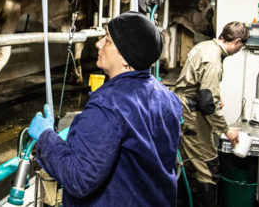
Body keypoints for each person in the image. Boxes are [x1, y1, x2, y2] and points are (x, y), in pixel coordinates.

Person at [28, 11, 182, 206]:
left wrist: (45, 136)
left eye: (107, 40)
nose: (98, 44)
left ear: (127, 57)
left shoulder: (108, 105)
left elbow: (78, 179)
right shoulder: (167, 96)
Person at [174, 21, 250, 207]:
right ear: (237, 41)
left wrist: (214, 98)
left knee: (185, 163)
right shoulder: (214, 60)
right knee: (209, 167)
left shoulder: (205, 46)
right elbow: (207, 103)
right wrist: (225, 129)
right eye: (241, 47)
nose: (239, 50)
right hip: (192, 112)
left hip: (184, 108)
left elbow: (202, 88)